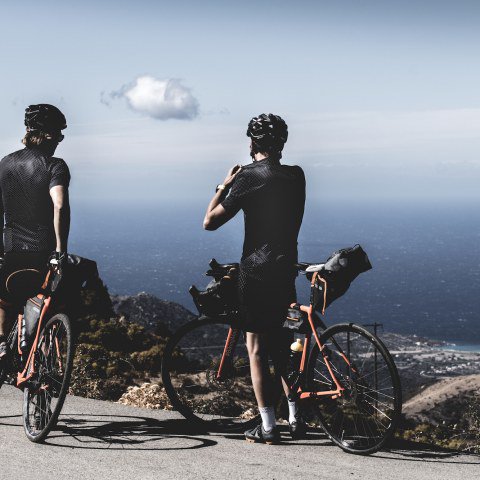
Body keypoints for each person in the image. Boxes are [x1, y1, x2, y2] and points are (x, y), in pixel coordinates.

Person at [203, 113, 306, 444]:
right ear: (282, 142)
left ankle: (268, 426)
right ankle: (296, 419)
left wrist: (224, 185)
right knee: (285, 348)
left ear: (252, 142)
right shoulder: (297, 175)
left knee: (257, 348)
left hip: (257, 272)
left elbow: (209, 221)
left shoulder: (247, 176)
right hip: (286, 269)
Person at [0, 104, 70, 360]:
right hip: (43, 252)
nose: (61, 139)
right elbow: (59, 205)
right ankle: (42, 354)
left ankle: (1, 344)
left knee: (4, 299)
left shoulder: (5, 164)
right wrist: (60, 251)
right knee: (53, 300)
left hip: (11, 251)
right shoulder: (55, 165)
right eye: (60, 133)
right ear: (49, 134)